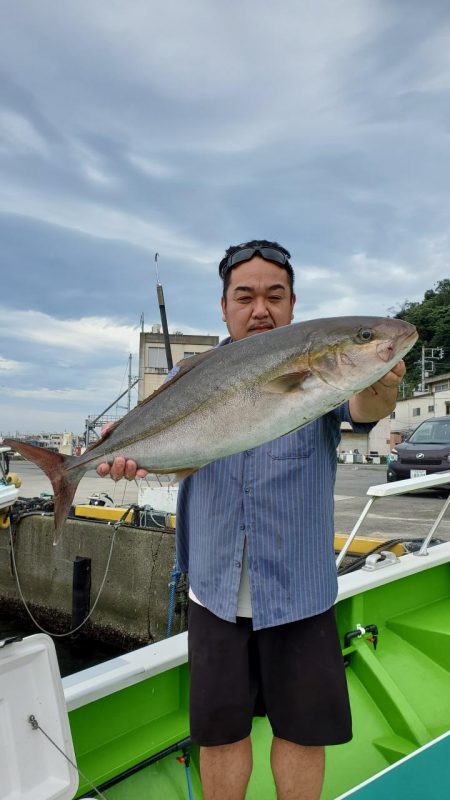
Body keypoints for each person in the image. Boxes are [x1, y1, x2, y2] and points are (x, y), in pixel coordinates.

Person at [97, 240, 406, 800]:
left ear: (292, 305)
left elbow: (366, 409)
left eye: (274, 295)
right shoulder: (191, 373)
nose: (260, 308)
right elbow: (159, 442)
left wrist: (382, 377)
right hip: (213, 588)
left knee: (302, 732)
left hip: (300, 589)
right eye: (245, 296)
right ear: (224, 307)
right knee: (218, 735)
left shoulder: (322, 373)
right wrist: (118, 454)